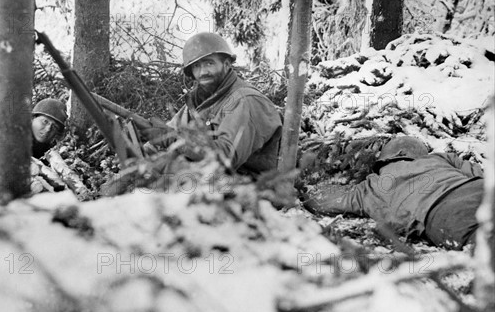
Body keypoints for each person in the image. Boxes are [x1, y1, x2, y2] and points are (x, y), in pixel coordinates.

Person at [303, 136, 485, 250]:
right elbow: (480, 172)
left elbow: (321, 200)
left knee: (486, 249)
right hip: (479, 189)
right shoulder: (440, 158)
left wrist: (299, 186)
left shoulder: (372, 186)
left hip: (444, 212)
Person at [142, 32, 282, 176]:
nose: (203, 72)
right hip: (211, 178)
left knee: (167, 170)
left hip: (247, 186)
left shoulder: (245, 100)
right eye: (196, 66)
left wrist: (170, 139)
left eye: (209, 63)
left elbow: (226, 157)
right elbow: (172, 129)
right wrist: (144, 143)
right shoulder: (202, 99)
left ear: (226, 64)